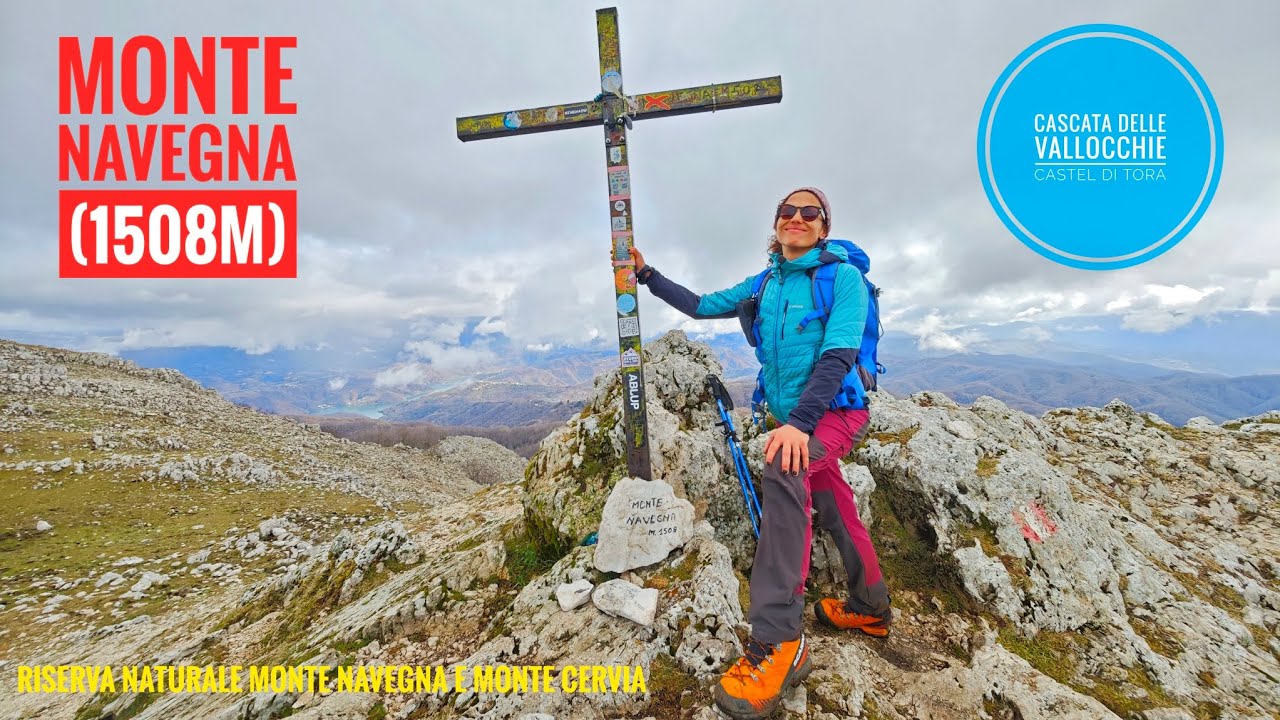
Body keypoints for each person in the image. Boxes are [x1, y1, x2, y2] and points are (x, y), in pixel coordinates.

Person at [631, 187, 891, 720]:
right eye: (787, 212)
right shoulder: (767, 281)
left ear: (824, 226)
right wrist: (648, 275)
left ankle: (780, 641)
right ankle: (871, 607)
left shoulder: (841, 279)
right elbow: (702, 306)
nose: (796, 218)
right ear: (776, 225)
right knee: (834, 500)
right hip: (795, 421)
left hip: (835, 414)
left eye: (809, 213)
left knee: (784, 466)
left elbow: (841, 352)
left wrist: (797, 425)